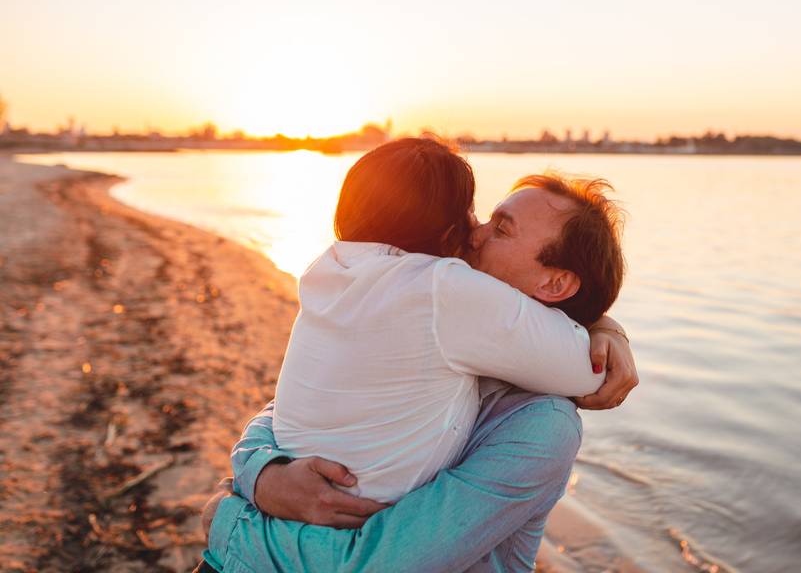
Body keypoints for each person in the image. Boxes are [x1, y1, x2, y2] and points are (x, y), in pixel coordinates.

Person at [197, 154, 637, 572]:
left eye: (501, 229)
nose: (473, 232)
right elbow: (283, 408)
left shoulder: (540, 424)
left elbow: (375, 564)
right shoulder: (431, 323)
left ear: (555, 282)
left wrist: (228, 520)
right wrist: (265, 474)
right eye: (486, 217)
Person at [269, 139, 609, 505]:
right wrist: (604, 328)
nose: (475, 230)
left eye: (499, 228)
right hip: (353, 534)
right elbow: (587, 372)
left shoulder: (329, 268)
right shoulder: (444, 287)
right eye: (472, 213)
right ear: (446, 229)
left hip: (281, 500)